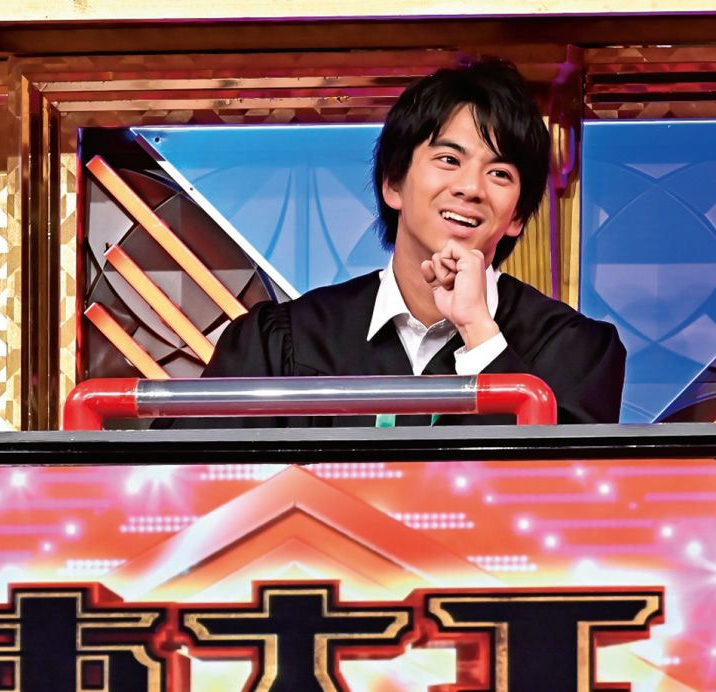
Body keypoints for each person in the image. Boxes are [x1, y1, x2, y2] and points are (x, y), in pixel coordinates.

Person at [157, 59, 625, 427]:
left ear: (518, 216)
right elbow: (191, 488)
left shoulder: (575, 352)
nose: (470, 188)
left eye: (500, 173)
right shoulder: (282, 342)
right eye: (448, 159)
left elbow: (557, 496)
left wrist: (478, 331)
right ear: (393, 183)